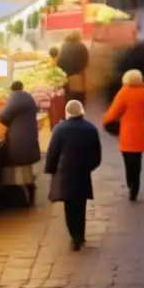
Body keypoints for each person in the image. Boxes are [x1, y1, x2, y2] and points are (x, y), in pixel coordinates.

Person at [44, 100, 102, 251]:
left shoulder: (60, 129)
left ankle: (74, 237)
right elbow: (97, 154)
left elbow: (53, 152)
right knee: (81, 205)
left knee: (69, 207)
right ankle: (80, 235)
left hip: (65, 173)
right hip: (82, 172)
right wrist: (89, 166)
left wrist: (51, 169)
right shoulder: (91, 129)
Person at [102, 69, 144, 201]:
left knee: (128, 160)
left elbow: (114, 111)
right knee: (137, 160)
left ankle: (130, 184)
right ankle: (135, 186)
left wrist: (106, 120)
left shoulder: (124, 92)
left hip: (128, 131)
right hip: (142, 130)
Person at [0, 80, 43, 204]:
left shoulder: (15, 98)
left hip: (18, 139)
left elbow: (3, 116)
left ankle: (16, 195)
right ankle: (29, 192)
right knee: (26, 169)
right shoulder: (28, 97)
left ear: (12, 89)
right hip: (28, 137)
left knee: (10, 162)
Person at [57, 31, 90, 104]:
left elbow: (59, 60)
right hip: (77, 74)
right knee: (78, 95)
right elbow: (85, 59)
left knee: (69, 95)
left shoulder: (64, 45)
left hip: (65, 74)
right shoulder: (81, 46)